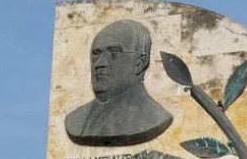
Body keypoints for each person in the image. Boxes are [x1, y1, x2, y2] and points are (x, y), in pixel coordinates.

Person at [65, 19, 173, 147]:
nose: (100, 63)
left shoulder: (154, 117)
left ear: (139, 63)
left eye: (114, 52)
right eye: (96, 53)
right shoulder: (75, 119)